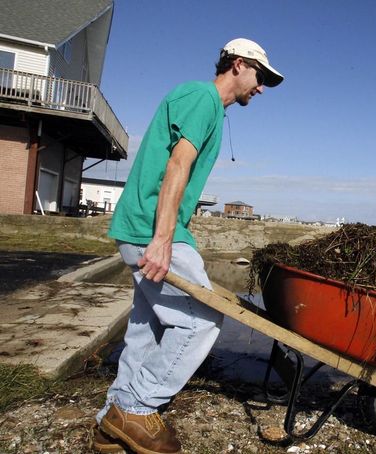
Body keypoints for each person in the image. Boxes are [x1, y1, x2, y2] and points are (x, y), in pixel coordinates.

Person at [92, 38, 283, 454]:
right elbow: (178, 163)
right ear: (238, 65)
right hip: (152, 231)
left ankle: (110, 423)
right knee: (201, 321)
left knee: (147, 328)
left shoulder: (207, 105)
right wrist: (163, 239)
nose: (262, 87)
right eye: (261, 76)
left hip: (141, 228)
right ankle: (136, 409)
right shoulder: (202, 98)